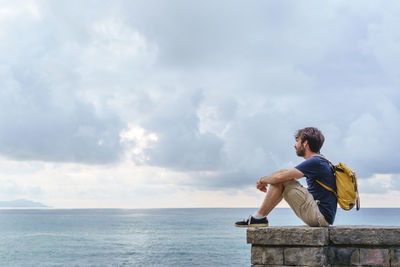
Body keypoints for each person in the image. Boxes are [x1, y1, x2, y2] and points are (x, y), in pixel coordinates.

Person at [235, 127, 337, 227]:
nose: (295, 145)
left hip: (319, 216)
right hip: (321, 215)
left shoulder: (315, 161)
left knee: (282, 176)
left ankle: (258, 217)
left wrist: (262, 180)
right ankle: (259, 217)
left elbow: (280, 177)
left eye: (297, 141)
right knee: (282, 175)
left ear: (305, 143)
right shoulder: (320, 161)